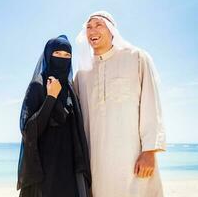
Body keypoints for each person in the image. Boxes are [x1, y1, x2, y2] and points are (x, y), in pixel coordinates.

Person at [74, 11, 166, 197]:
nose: (93, 30)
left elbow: (151, 103)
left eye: (98, 25)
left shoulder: (137, 58)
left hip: (133, 156)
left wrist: (150, 151)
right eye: (89, 27)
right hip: (96, 161)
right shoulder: (82, 74)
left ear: (111, 30)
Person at [17, 35, 91, 197]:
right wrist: (51, 98)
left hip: (70, 166)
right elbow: (29, 131)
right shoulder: (37, 85)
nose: (62, 59)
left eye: (67, 56)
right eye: (57, 54)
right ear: (48, 55)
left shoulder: (70, 88)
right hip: (45, 168)